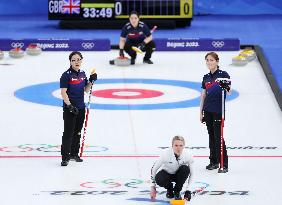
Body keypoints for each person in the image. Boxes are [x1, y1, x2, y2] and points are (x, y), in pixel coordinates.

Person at [60, 51, 97, 166]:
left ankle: (74, 154)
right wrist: (69, 106)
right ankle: (65, 157)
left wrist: (91, 81)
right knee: (68, 133)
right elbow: (63, 92)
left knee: (77, 132)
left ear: (81, 60)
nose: (76, 62)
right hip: (70, 108)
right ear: (70, 62)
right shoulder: (66, 75)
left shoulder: (82, 74)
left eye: (78, 59)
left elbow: (86, 90)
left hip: (81, 108)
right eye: (74, 60)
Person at [199, 52, 231, 173]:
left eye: (211, 60)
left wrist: (225, 86)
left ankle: (224, 164)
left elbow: (229, 92)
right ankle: (214, 161)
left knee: (219, 137)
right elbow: (203, 95)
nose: (209, 62)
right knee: (211, 136)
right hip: (207, 110)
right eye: (207, 60)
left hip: (218, 111)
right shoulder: (206, 77)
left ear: (217, 61)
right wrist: (200, 112)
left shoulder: (223, 75)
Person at [150, 136, 194, 201]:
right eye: (176, 145)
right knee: (159, 178)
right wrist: (153, 187)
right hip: (167, 175)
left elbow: (192, 173)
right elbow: (154, 169)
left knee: (185, 169)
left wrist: (188, 190)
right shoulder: (165, 154)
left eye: (180, 145)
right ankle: (169, 188)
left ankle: (177, 191)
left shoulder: (188, 155)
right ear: (172, 146)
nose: (178, 148)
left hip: (179, 176)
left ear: (183, 146)